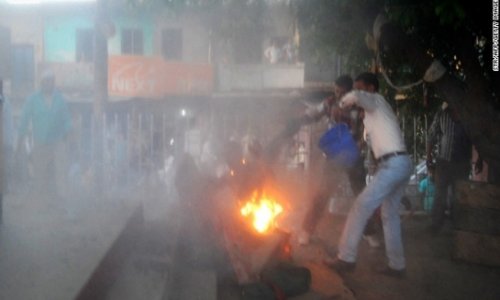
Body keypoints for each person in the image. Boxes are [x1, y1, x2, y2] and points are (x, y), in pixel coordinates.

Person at [324, 90, 412, 278]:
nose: (359, 111)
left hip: (393, 164)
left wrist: (341, 105)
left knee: (360, 206)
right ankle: (397, 266)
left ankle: (345, 258)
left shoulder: (377, 101)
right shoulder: (372, 122)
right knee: (390, 215)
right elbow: (362, 146)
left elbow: (357, 95)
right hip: (399, 163)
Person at [296, 75, 367, 245]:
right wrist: (300, 118)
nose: (338, 95)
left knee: (362, 196)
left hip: (353, 155)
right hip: (334, 155)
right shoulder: (329, 103)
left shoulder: (359, 107)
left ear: (349, 92)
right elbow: (313, 113)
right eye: (336, 91)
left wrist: (361, 143)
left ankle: (370, 233)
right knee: (322, 194)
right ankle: (306, 231)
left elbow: (367, 130)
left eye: (341, 92)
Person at [426, 101, 482, 234]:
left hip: (462, 163)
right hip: (444, 161)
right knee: (440, 194)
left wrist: (479, 158)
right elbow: (431, 136)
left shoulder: (468, 117)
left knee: (459, 195)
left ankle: (457, 225)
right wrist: (429, 157)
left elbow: (477, 139)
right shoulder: (441, 115)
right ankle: (436, 224)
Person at [17, 70, 72, 200]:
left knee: (61, 169)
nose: (49, 83)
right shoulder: (33, 99)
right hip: (40, 142)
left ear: (53, 82)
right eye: (46, 81)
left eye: (51, 80)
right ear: (41, 83)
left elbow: (66, 119)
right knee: (39, 172)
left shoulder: (60, 99)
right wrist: (20, 139)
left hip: (57, 140)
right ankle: (40, 199)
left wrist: (68, 133)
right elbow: (24, 119)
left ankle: (62, 197)